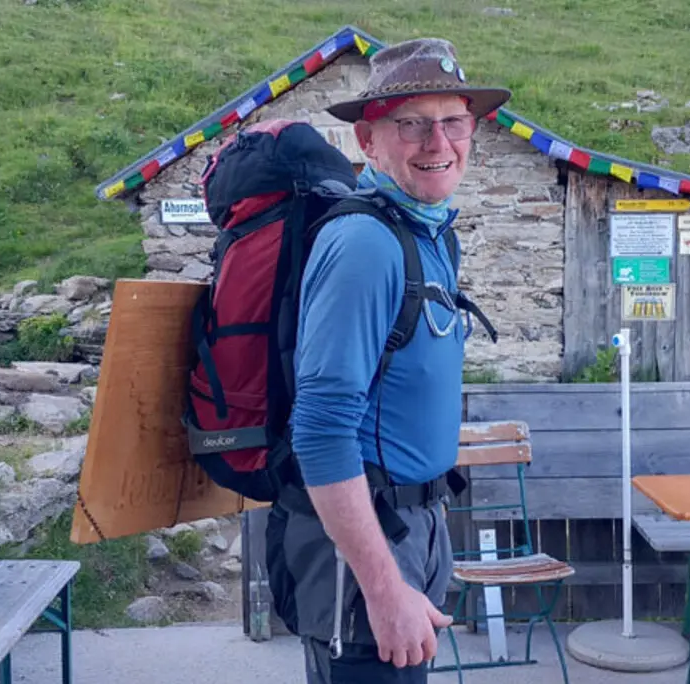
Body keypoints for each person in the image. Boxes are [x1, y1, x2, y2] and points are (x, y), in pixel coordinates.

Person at [267, 37, 512, 684]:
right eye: (411, 124)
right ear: (368, 143)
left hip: (412, 529)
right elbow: (320, 434)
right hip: (364, 554)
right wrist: (383, 589)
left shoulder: (428, 234)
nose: (438, 142)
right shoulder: (365, 246)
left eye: (453, 121)